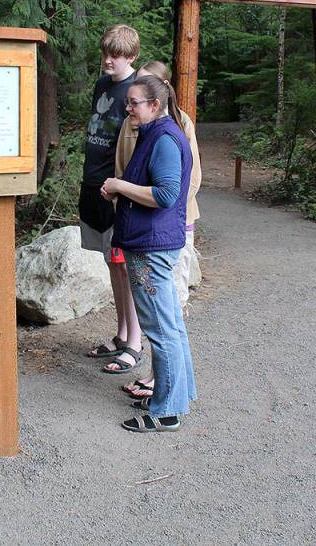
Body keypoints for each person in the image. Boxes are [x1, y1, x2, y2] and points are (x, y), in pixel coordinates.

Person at [101, 75, 196, 432]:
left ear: (155, 105)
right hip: (151, 241)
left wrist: (119, 185)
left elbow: (166, 195)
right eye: (128, 102)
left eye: (134, 103)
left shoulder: (165, 139)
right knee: (171, 326)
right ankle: (178, 395)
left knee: (161, 329)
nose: (128, 108)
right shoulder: (154, 133)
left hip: (151, 247)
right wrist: (121, 190)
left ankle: (166, 411)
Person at [80, 24, 143, 375]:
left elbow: (139, 145)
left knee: (124, 265)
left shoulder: (136, 90)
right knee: (111, 262)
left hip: (116, 190)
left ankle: (135, 342)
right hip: (93, 184)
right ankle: (121, 334)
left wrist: (122, 186)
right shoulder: (102, 85)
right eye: (106, 53)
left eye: (115, 55)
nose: (108, 60)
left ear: (131, 57)